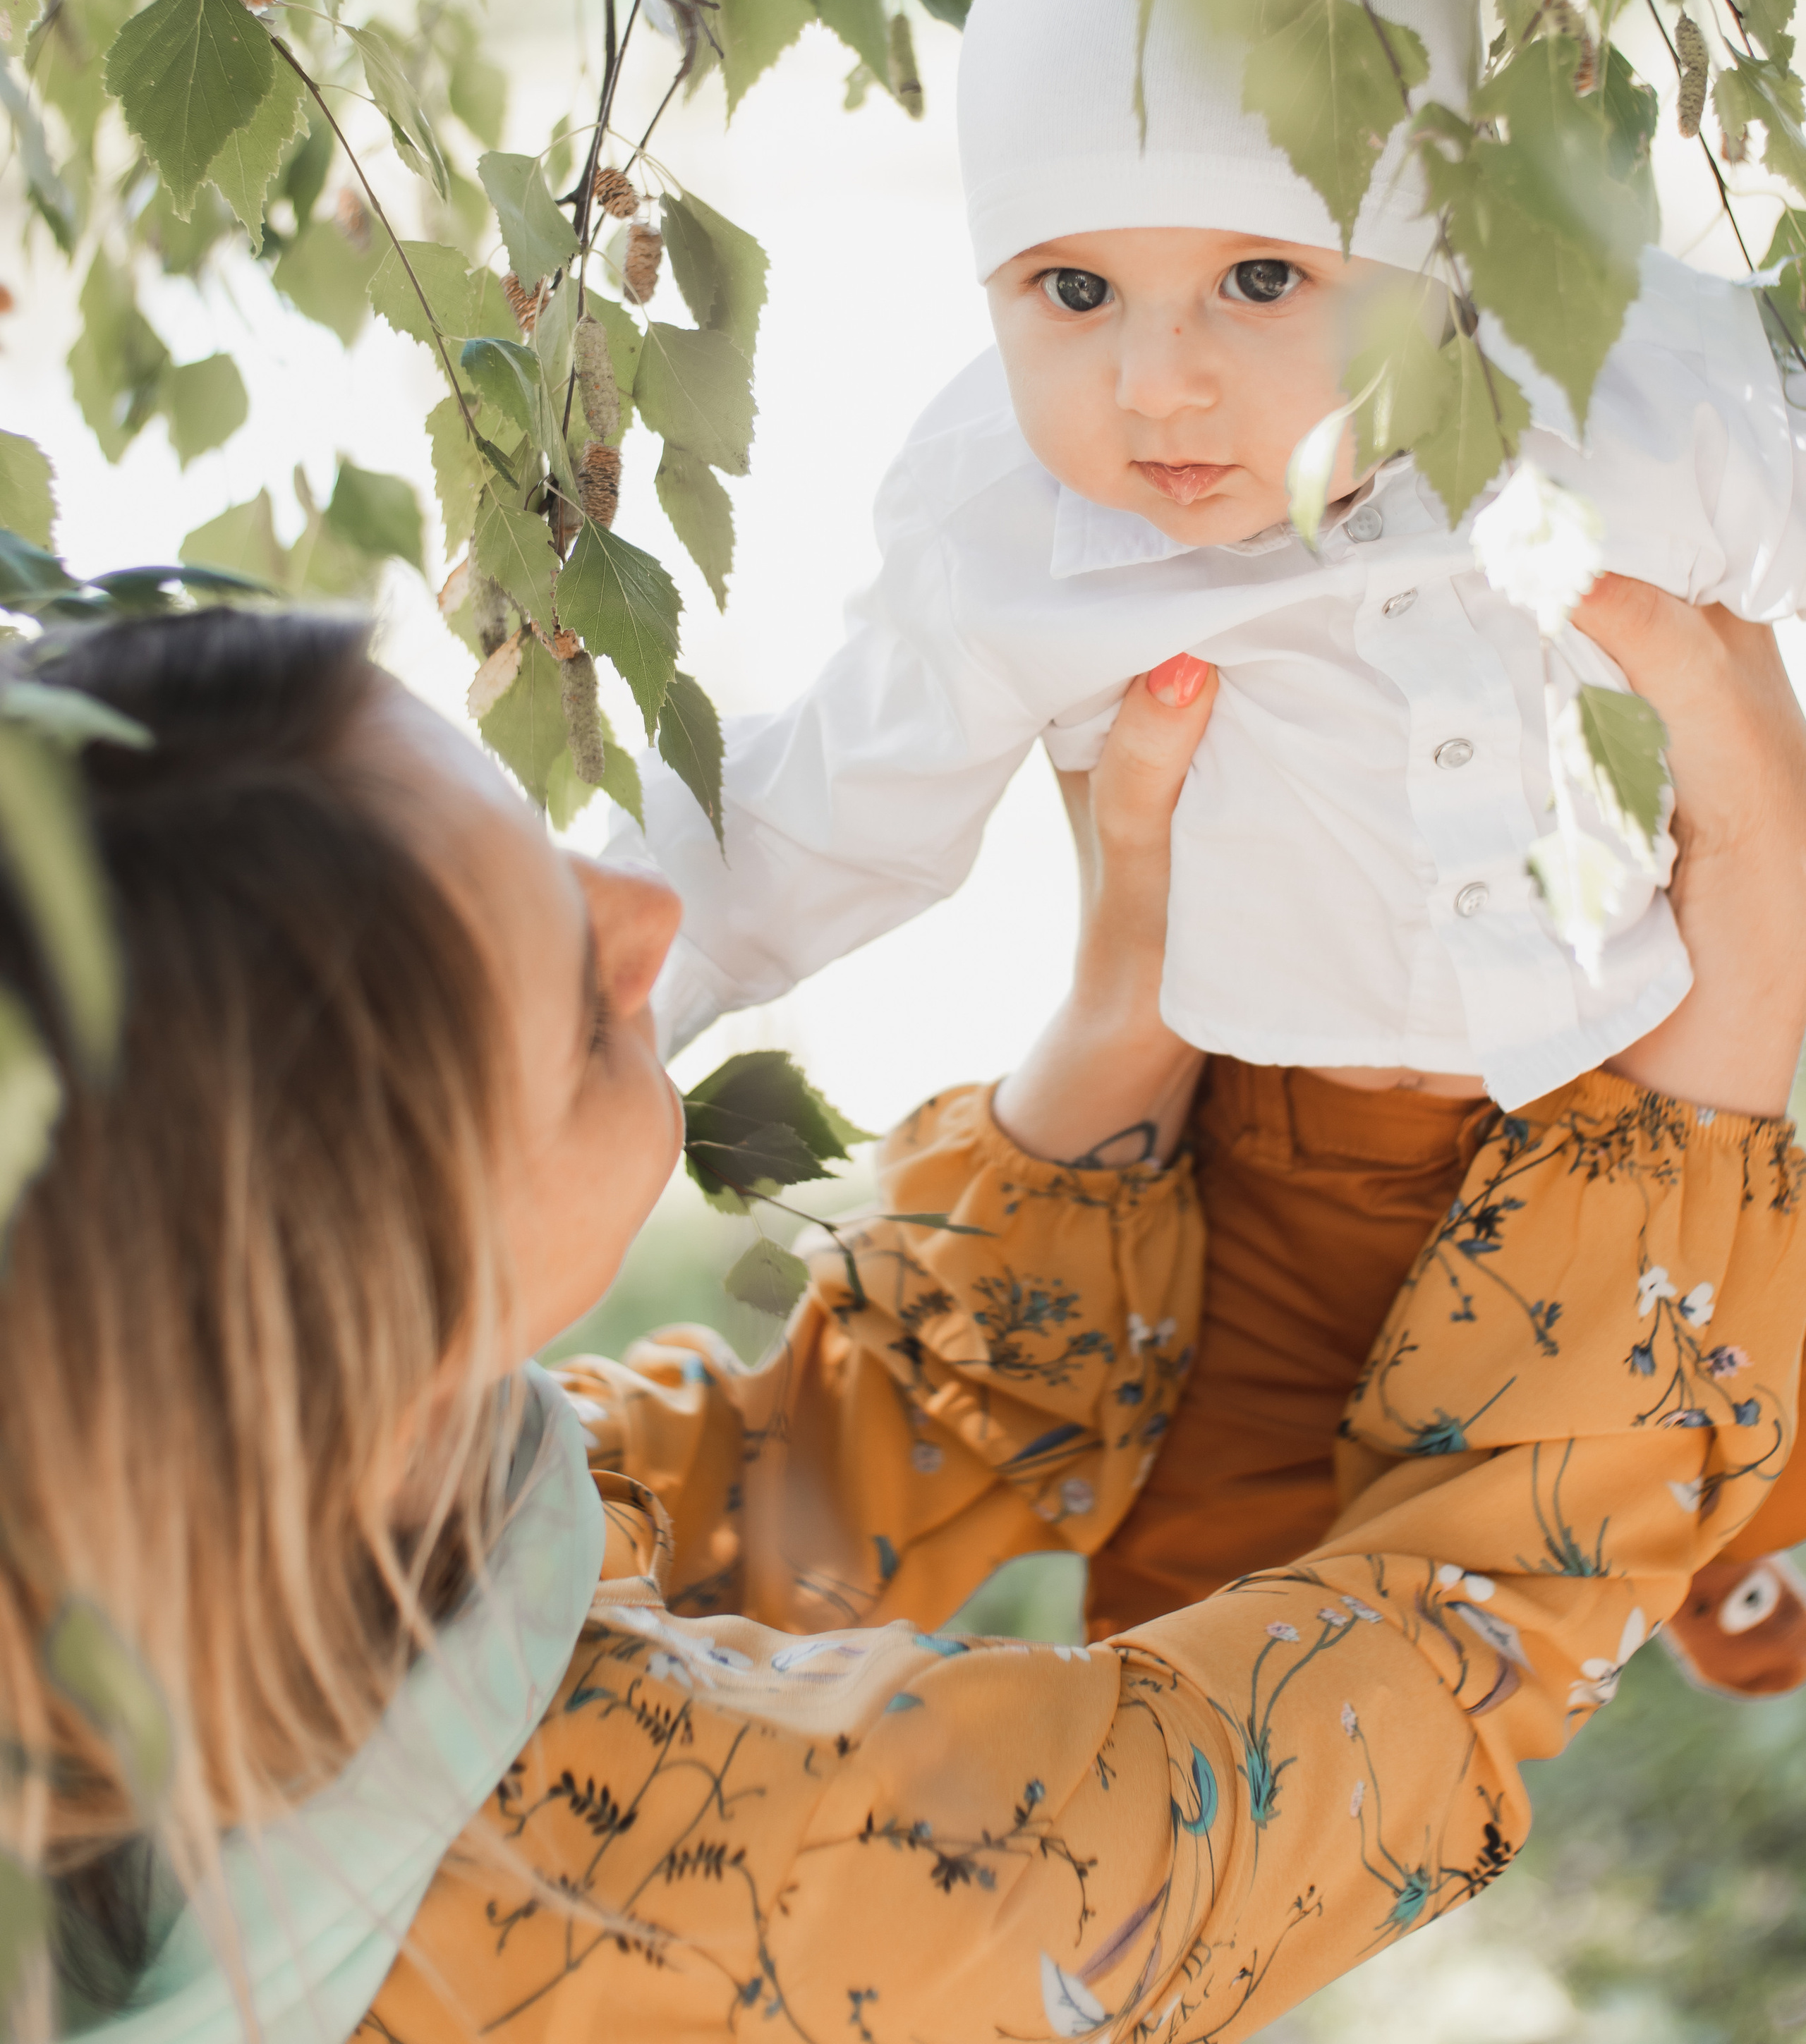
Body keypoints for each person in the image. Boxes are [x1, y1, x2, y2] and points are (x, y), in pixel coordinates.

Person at [1, 583, 1801, 2044]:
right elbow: (1351, 1730)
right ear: (331, 1319)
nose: (642, 909)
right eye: (567, 1003)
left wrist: (1122, 1030)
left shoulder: (192, 1553)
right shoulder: (678, 1901)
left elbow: (802, 1489)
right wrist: (1704, 1078)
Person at [607, 0, 1806, 1691]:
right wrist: (562, 989)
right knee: (1216, 1607)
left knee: (1711, 1365)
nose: (1157, 382)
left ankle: (1746, 1516)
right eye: (1070, 287)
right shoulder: (1023, 523)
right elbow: (814, 820)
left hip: (1636, 1084)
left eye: (1265, 279)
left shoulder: (1624, 396)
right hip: (1281, 1153)